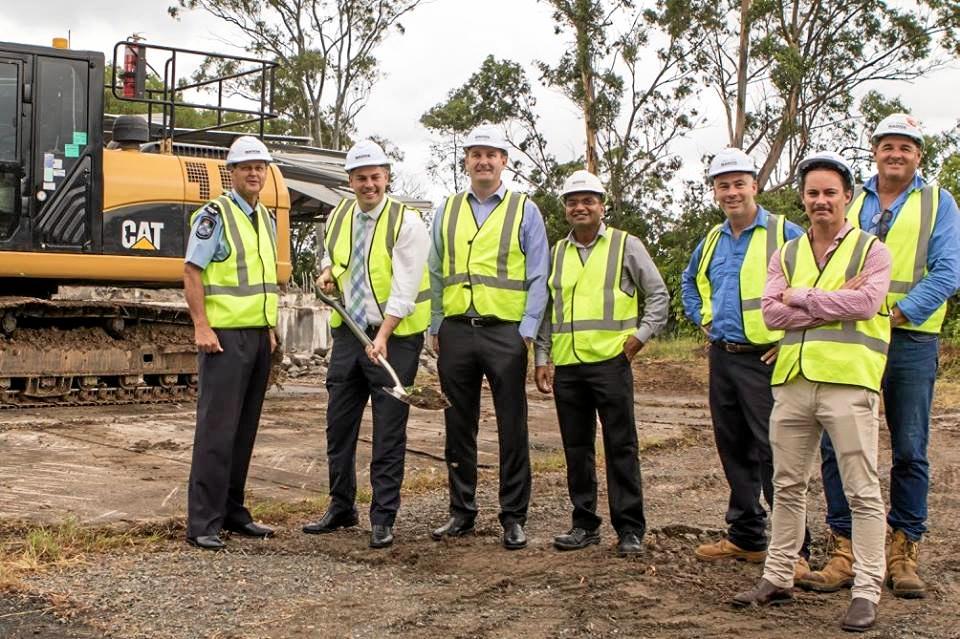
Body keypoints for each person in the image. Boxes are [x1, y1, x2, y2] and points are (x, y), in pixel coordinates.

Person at [799, 114, 960, 598]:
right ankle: (845, 547)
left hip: (910, 339)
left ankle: (902, 548)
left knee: (909, 445)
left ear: (918, 155)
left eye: (906, 147)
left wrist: (897, 312)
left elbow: (948, 270)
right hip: (848, 339)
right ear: (874, 150)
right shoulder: (854, 198)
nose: (896, 154)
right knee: (837, 444)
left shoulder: (939, 203)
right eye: (888, 145)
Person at [732, 151, 891, 633]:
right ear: (803, 199)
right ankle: (778, 576)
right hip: (794, 382)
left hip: (848, 381)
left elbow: (867, 302)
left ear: (848, 198)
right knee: (786, 485)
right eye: (813, 193)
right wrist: (825, 303)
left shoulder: (871, 250)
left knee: (862, 490)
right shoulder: (789, 253)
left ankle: (866, 589)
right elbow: (770, 314)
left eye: (830, 193)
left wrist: (799, 296)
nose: (821, 201)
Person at [680, 148, 809, 571]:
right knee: (733, 447)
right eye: (723, 185)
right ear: (715, 192)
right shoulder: (712, 240)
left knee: (776, 452)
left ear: (755, 185)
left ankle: (797, 550)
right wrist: (704, 319)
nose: (732, 192)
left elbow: (814, 287)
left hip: (767, 360)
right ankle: (747, 536)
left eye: (739, 183)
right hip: (724, 357)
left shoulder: (785, 234)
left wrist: (792, 338)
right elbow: (690, 281)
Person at [302, 140, 430, 549]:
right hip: (348, 335)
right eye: (361, 178)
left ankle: (383, 517)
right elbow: (330, 253)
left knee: (388, 430)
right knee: (339, 426)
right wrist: (326, 271)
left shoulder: (406, 223)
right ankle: (342, 507)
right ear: (350, 180)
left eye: (376, 177)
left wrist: (384, 337)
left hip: (394, 338)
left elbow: (406, 288)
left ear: (387, 177)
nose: (369, 184)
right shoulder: (340, 214)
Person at [533, 170, 668, 555]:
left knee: (620, 445)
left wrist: (638, 338)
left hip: (611, 362)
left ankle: (629, 528)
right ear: (566, 209)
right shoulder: (557, 252)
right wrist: (542, 356)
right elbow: (547, 311)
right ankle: (584, 524)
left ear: (601, 206)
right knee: (576, 448)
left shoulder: (626, 245)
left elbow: (658, 295)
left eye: (588, 200)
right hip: (569, 367)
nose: (580, 207)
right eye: (573, 202)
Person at [428, 124, 550, 550]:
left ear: (504, 161)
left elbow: (539, 276)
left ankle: (513, 516)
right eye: (476, 153)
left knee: (511, 426)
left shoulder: (524, 210)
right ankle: (461, 512)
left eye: (492, 154)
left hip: (505, 334)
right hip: (458, 331)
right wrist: (436, 323)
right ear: (466, 161)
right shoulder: (446, 210)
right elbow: (436, 270)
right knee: (457, 424)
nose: (483, 161)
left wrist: (527, 332)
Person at [183, 136, 281, 551]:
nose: (254, 173)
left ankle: (234, 512)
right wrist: (201, 326)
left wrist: (269, 325)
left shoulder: (267, 219)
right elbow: (191, 272)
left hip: (258, 336)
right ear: (232, 172)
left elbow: (263, 279)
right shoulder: (214, 215)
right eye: (246, 167)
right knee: (216, 431)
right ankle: (203, 522)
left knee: (243, 431)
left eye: (260, 166)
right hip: (223, 339)